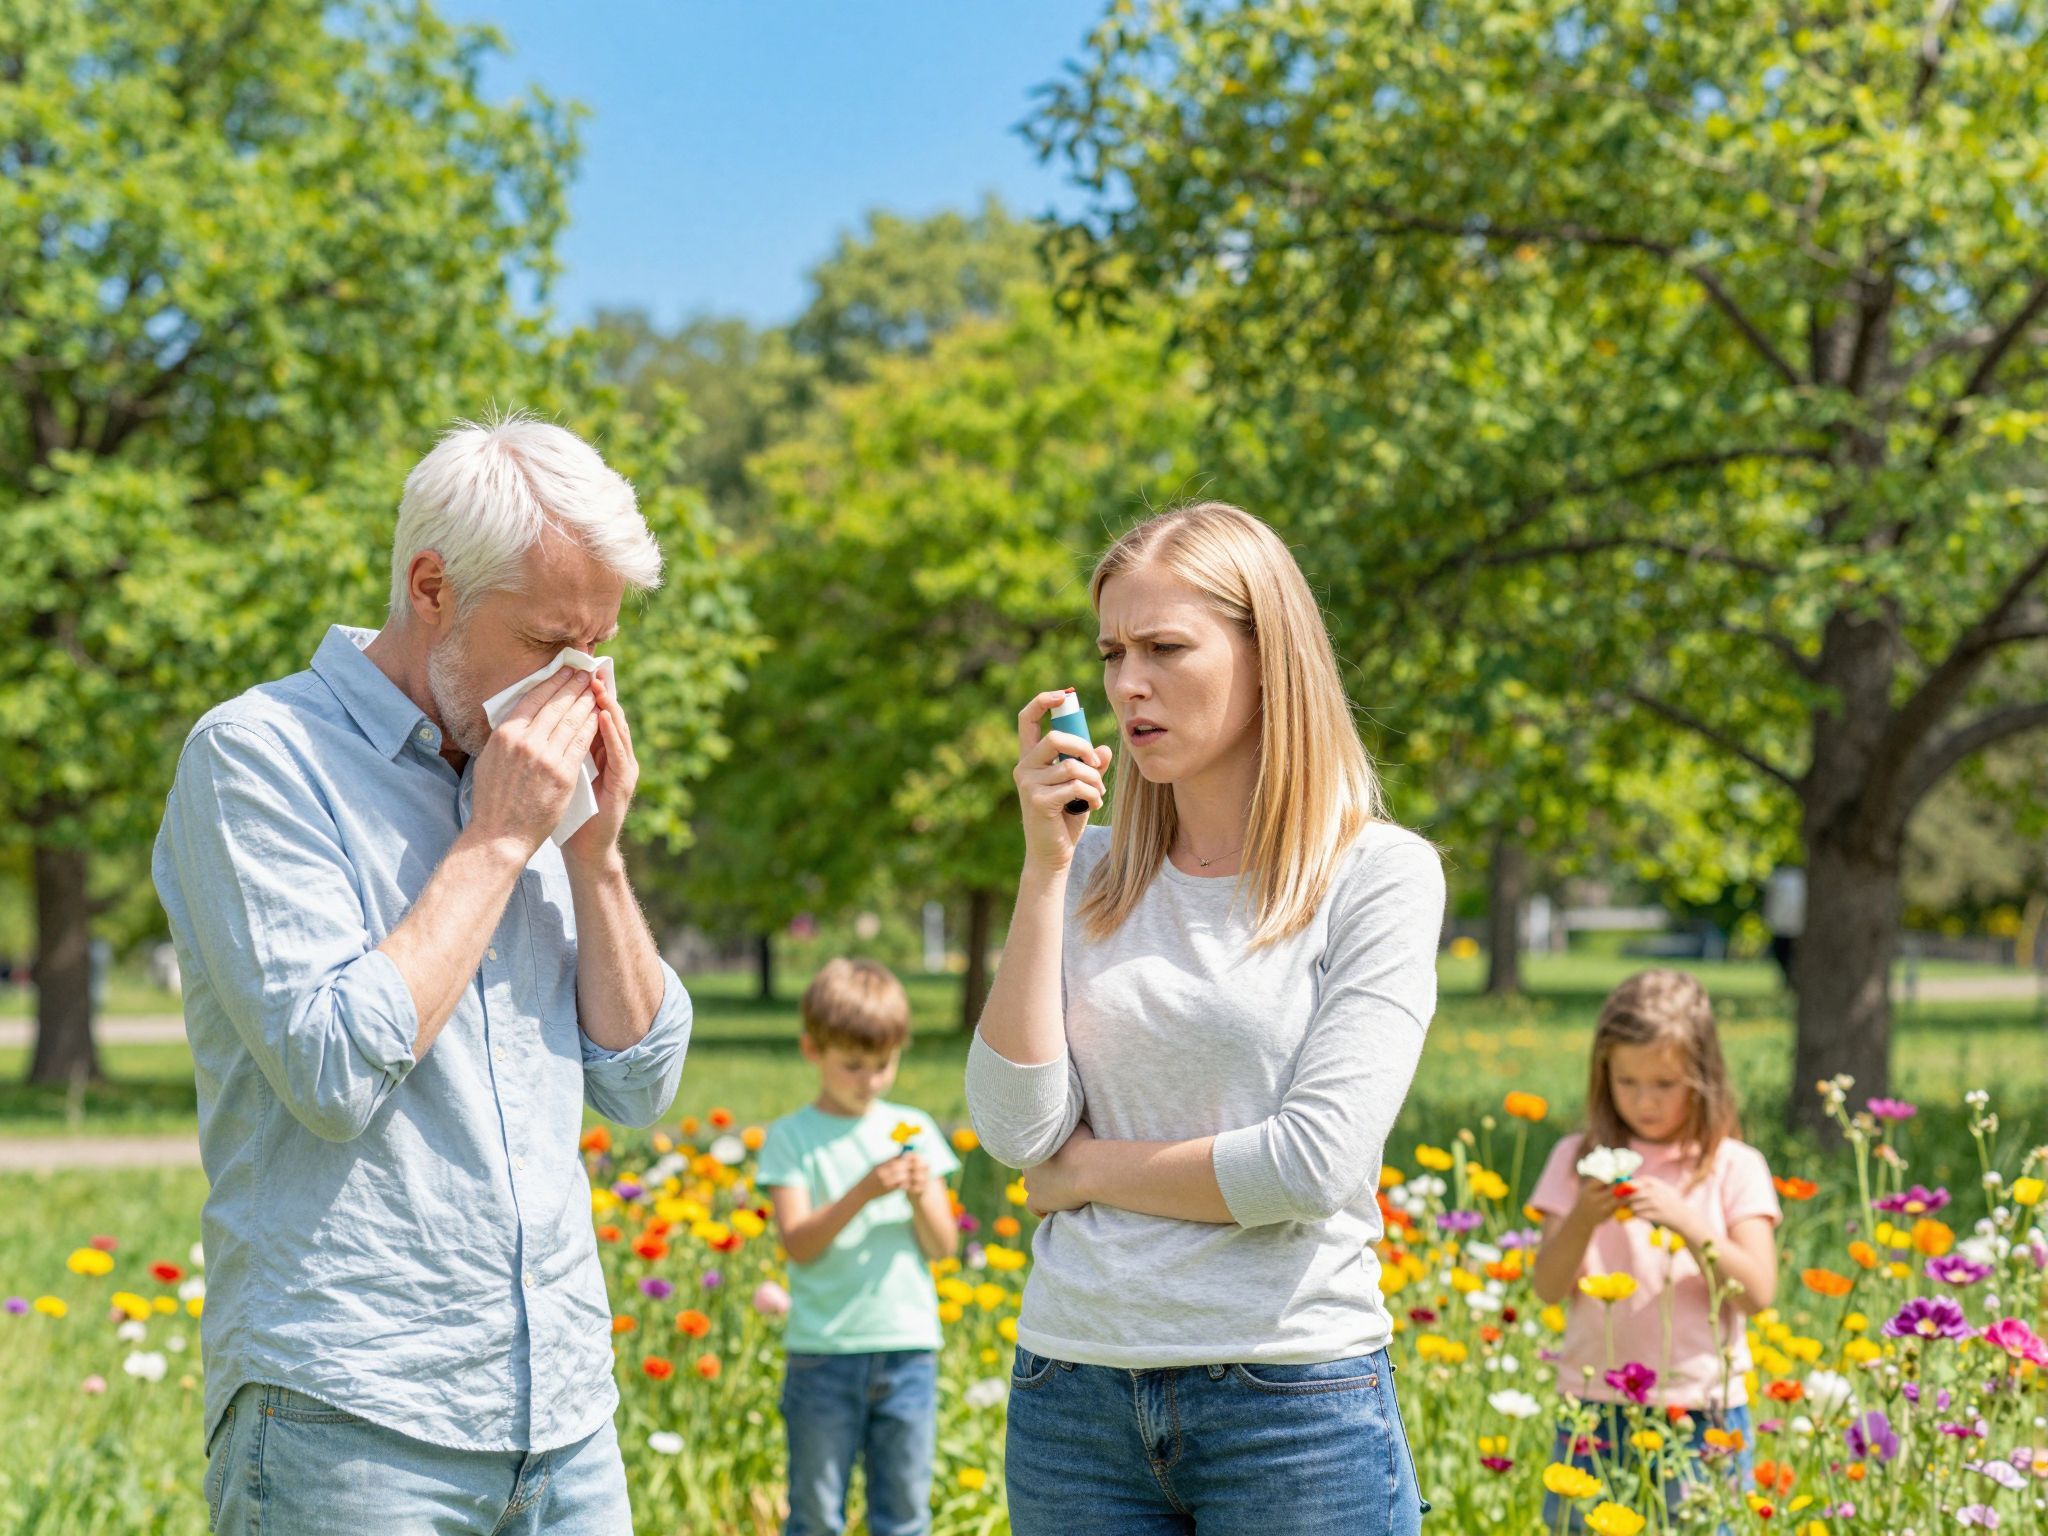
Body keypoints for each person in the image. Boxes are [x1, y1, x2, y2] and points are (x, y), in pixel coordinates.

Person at [152, 414, 693, 1535]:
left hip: (563, 1419)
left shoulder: (533, 781)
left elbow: (641, 1082)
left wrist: (593, 856)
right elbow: (332, 1070)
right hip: (350, 1413)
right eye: (550, 642)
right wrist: (497, 843)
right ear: (432, 586)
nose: (579, 684)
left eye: (600, 647)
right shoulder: (257, 757)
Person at [965, 501, 1444, 1535]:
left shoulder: (1375, 877)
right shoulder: (1084, 871)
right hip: (1073, 1395)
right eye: (1111, 653)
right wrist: (1044, 871)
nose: (1127, 685)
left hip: (1288, 1402)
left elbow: (1311, 1165)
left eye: (1165, 648)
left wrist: (1088, 1174)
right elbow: (1014, 1131)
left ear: (1266, 657)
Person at [1529, 968, 1782, 1532]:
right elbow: (1547, 1286)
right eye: (1627, 1083)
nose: (1644, 1102)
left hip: (1699, 1406)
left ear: (1702, 1078)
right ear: (1603, 1076)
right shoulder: (1575, 1160)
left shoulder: (1733, 1166)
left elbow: (1759, 1292)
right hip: (1593, 1402)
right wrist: (1584, 1218)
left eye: (1664, 1085)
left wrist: (1690, 1224)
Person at [758, 958, 960, 1536]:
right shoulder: (792, 1137)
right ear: (811, 1050)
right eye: (852, 1065)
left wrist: (922, 1197)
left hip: (907, 1349)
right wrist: (865, 1191)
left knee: (904, 1515)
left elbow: (942, 1247)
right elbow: (799, 1244)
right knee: (817, 1514)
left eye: (883, 1065)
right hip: (824, 1353)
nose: (869, 1080)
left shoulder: (914, 1128)